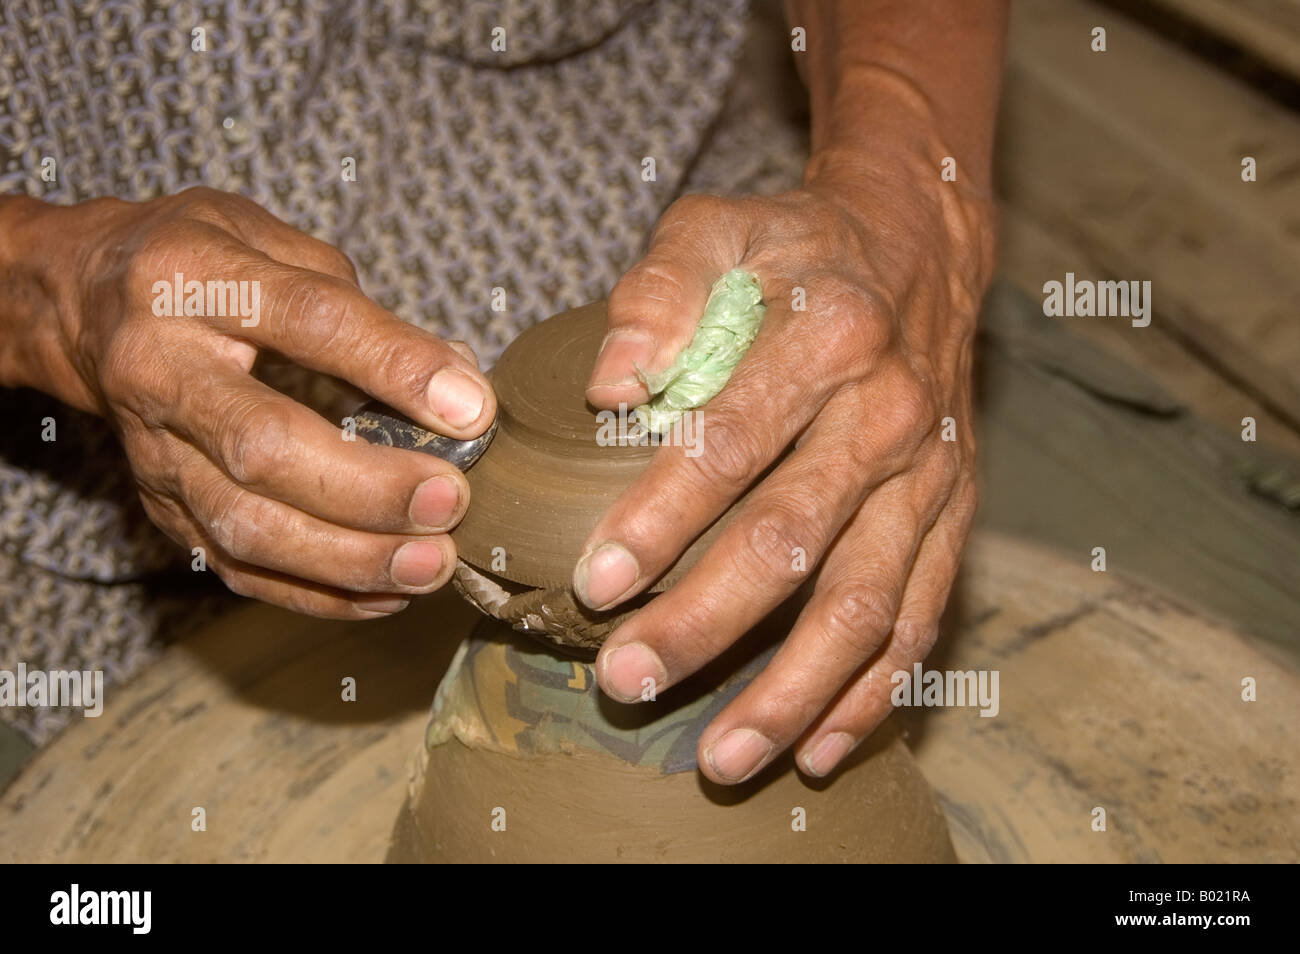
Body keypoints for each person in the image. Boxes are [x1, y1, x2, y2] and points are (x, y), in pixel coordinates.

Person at [0, 0, 1005, 782]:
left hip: (710, 243)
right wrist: (44, 288)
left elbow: (909, 182)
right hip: (65, 505)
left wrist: (913, 195)